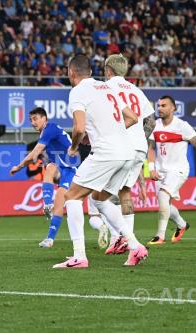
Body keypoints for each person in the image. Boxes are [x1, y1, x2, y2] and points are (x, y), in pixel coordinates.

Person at [52, 54, 147, 269]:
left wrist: (75, 146)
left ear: (71, 72)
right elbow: (132, 117)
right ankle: (135, 245)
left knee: (71, 197)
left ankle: (79, 256)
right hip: (127, 152)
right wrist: (111, 130)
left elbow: (78, 128)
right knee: (100, 199)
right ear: (91, 72)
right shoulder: (107, 87)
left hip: (106, 152)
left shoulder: (77, 91)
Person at [87, 54, 157, 254]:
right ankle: (126, 239)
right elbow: (151, 122)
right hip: (138, 147)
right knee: (125, 192)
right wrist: (139, 139)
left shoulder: (105, 88)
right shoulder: (137, 90)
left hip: (117, 146)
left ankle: (120, 237)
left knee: (97, 194)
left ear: (108, 70)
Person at [147, 95, 196, 244]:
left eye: (164, 105)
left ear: (173, 108)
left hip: (178, 169)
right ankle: (182, 225)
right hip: (161, 171)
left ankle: (160, 236)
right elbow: (150, 148)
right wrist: (151, 168)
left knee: (164, 196)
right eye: (159, 105)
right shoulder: (155, 125)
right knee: (165, 204)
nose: (160, 108)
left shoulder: (182, 126)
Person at [10, 107, 77, 248]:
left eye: (35, 119)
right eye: (30, 120)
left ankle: (49, 208)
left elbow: (36, 152)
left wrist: (19, 166)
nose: (32, 122)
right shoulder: (44, 133)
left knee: (60, 199)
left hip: (73, 170)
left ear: (44, 118)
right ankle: (48, 213)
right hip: (62, 167)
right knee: (50, 167)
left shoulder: (50, 129)